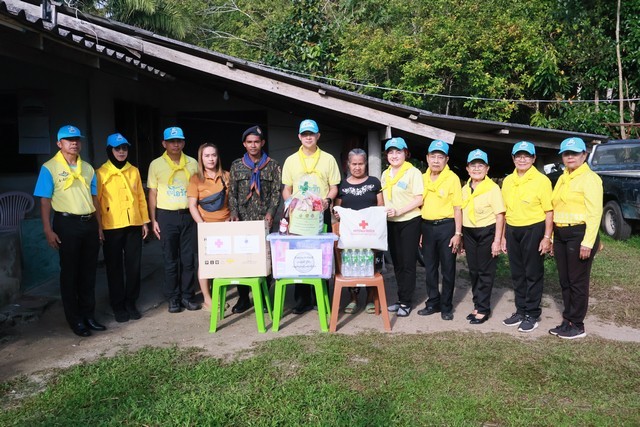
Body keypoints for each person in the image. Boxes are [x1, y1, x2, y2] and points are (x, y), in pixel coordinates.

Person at [34, 125, 106, 337]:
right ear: (59, 143)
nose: (74, 143)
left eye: (76, 139)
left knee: (89, 272)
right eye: (68, 139)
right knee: (70, 273)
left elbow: (94, 199)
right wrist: (47, 229)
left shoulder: (88, 168)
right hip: (66, 224)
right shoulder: (49, 168)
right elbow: (45, 201)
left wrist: (99, 226)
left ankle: (89, 315)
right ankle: (75, 320)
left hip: (89, 223)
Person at [281, 119, 341, 314]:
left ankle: (321, 298)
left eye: (312, 134)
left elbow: (334, 186)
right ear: (299, 136)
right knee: (300, 254)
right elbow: (287, 188)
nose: (308, 137)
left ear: (318, 136)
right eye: (305, 134)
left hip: (320, 213)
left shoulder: (328, 159)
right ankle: (302, 299)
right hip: (299, 216)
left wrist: (327, 201)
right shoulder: (291, 160)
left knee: (322, 254)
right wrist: (291, 204)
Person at [549, 137, 603, 339]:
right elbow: (556, 207)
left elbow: (595, 213)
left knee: (577, 281)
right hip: (561, 234)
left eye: (574, 153)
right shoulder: (563, 177)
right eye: (566, 153)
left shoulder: (590, 178)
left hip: (579, 234)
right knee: (565, 280)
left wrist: (588, 242)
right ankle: (568, 319)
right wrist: (552, 237)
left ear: (584, 155)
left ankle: (577, 325)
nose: (570, 157)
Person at [500, 141, 553, 332]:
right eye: (519, 156)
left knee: (532, 273)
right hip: (513, 229)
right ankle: (520, 310)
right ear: (513, 158)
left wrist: (547, 237)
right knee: (517, 273)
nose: (522, 159)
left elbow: (549, 211)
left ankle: (532, 313)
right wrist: (503, 236)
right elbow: (504, 211)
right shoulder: (508, 180)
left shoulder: (542, 181)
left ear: (533, 158)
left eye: (527, 156)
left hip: (533, 229)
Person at [97, 133, 150, 323]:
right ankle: (117, 304)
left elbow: (141, 197)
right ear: (109, 150)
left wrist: (144, 221)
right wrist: (99, 227)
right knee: (114, 267)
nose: (121, 152)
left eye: (124, 148)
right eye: (117, 148)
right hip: (111, 226)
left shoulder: (133, 170)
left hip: (133, 224)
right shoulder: (101, 173)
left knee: (134, 266)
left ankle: (131, 302)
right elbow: (97, 201)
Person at [147, 126, 201, 313]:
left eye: (179, 141)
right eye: (171, 141)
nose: (175, 144)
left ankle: (187, 296)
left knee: (188, 259)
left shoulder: (192, 163)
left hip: (188, 215)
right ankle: (173, 298)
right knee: (171, 260)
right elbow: (152, 193)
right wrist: (153, 220)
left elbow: (199, 189)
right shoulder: (156, 164)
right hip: (166, 216)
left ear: (183, 143)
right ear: (164, 143)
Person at [228, 125, 281, 313]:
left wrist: (271, 212)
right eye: (249, 142)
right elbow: (232, 193)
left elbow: (276, 192)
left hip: (264, 220)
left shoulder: (273, 165)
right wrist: (233, 213)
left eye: (256, 142)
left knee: (265, 260)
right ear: (244, 144)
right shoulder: (237, 165)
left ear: (262, 143)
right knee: (242, 260)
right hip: (242, 220)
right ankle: (243, 298)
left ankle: (264, 297)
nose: (253, 145)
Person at [334, 148, 384, 314]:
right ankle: (353, 299)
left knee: (372, 264)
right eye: (354, 164)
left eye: (360, 164)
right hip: (351, 236)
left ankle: (370, 299)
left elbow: (380, 206)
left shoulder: (374, 182)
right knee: (352, 264)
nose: (357, 167)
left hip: (371, 234)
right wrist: (337, 214)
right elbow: (337, 208)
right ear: (348, 164)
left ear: (366, 164)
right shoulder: (343, 185)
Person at [417, 140, 462, 321]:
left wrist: (457, 233)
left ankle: (446, 306)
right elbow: (419, 205)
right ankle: (433, 302)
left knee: (448, 268)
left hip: (446, 227)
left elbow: (458, 208)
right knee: (430, 267)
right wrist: (421, 231)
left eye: (440, 157)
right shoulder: (422, 178)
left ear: (446, 159)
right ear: (427, 158)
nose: (436, 160)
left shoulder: (452, 178)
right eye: (433, 156)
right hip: (427, 227)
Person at [461, 149, 505, 324]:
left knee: (485, 271)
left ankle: (484, 309)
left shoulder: (493, 188)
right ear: (467, 168)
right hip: (469, 232)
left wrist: (497, 240)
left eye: (481, 165)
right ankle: (477, 305)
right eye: (473, 165)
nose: (477, 169)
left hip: (487, 231)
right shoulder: (464, 189)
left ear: (487, 169)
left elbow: (500, 215)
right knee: (473, 271)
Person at [382, 137, 424, 317]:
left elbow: (419, 199)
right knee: (397, 263)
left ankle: (407, 301)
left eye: (398, 151)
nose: (394, 155)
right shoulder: (385, 174)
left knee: (407, 263)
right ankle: (401, 298)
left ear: (405, 153)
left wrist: (399, 211)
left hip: (409, 221)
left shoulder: (413, 172)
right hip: (391, 223)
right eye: (390, 152)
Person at [187, 143, 231, 311]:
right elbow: (192, 205)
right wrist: (202, 225)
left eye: (213, 155)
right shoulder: (195, 178)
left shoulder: (226, 176)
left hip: (225, 226)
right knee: (205, 264)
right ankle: (207, 299)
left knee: (222, 264)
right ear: (201, 158)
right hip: (205, 227)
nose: (211, 159)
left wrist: (230, 219)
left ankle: (219, 295)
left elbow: (232, 201)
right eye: (207, 156)